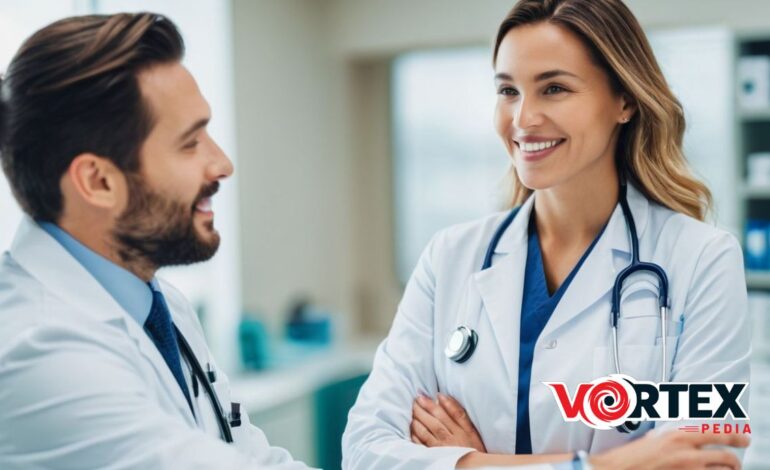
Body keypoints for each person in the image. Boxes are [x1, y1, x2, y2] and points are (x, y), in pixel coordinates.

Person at [341, 0, 751, 468]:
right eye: (508, 91)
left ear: (625, 100)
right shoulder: (451, 257)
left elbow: (706, 459)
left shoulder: (703, 260)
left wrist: (473, 460)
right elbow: (365, 451)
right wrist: (605, 464)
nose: (523, 118)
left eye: (553, 88)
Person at [0, 13, 310, 469]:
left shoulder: (161, 307)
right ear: (99, 181)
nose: (222, 164)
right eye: (189, 143)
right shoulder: (39, 353)